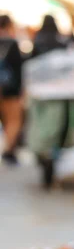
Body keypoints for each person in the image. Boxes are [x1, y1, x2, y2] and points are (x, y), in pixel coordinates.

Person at [0, 14, 24, 165]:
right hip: (9, 88)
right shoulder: (11, 43)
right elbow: (18, 68)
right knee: (14, 120)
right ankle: (8, 150)